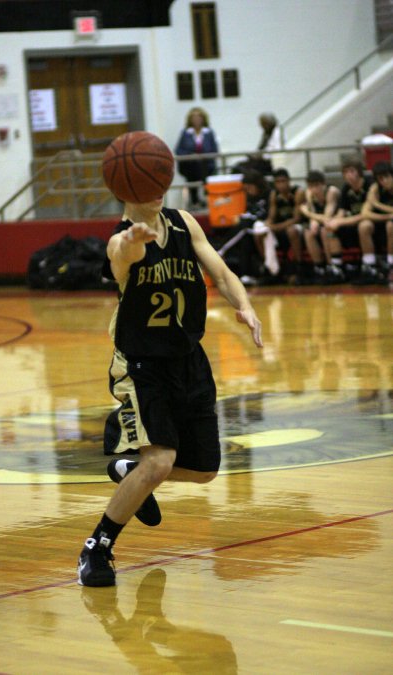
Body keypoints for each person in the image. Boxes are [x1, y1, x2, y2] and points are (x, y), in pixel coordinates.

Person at [77, 191, 263, 587]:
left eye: (161, 178)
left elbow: (222, 274)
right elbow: (119, 257)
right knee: (160, 461)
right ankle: (97, 549)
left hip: (188, 360)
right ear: (129, 187)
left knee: (205, 470)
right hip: (143, 364)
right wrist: (129, 245)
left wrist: (243, 304)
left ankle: (129, 470)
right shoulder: (122, 239)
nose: (157, 187)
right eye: (149, 180)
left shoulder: (184, 222)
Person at [324, 157, 372, 282]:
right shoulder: (346, 189)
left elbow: (366, 214)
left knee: (364, 225)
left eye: (352, 171)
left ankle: (370, 267)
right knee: (329, 229)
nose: (348, 175)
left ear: (359, 172)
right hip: (353, 222)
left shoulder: (370, 185)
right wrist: (332, 221)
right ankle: (336, 267)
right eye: (345, 172)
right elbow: (341, 212)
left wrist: (340, 221)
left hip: (374, 222)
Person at [261, 168, 305, 284]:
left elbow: (297, 219)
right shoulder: (274, 194)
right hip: (281, 227)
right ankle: (270, 268)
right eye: (278, 182)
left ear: (289, 181)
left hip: (301, 226)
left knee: (291, 230)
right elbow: (271, 216)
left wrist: (276, 227)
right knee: (262, 232)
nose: (281, 185)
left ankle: (299, 267)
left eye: (283, 181)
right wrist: (268, 224)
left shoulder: (298, 192)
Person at [352, 161, 393, 285]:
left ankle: (391, 265)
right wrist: (388, 216)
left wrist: (377, 204)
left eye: (386, 177)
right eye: (380, 179)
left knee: (391, 225)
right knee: (364, 225)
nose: (384, 181)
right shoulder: (375, 188)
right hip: (383, 223)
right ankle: (370, 266)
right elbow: (364, 213)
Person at [300, 170, 341, 284]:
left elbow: (327, 217)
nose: (314, 189)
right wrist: (313, 221)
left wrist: (308, 214)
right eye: (311, 186)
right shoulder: (309, 193)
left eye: (317, 185)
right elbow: (314, 212)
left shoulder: (331, 192)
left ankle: (332, 267)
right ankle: (319, 268)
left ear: (323, 184)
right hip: (324, 223)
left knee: (324, 230)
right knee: (308, 233)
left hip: (340, 223)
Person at [174, 107, 219, 209]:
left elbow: (214, 150)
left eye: (199, 118)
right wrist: (191, 155)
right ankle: (195, 201)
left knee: (202, 167)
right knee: (193, 169)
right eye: (194, 118)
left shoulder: (209, 133)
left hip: (206, 165)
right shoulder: (186, 133)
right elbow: (178, 150)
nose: (196, 120)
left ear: (203, 119)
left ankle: (205, 199)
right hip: (190, 166)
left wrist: (202, 156)